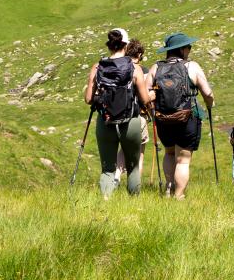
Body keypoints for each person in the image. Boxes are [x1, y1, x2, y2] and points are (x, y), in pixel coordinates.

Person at [84, 28, 151, 198]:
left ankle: (106, 200)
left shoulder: (98, 66)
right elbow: (145, 99)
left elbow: (88, 99)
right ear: (126, 45)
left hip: (105, 122)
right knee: (133, 166)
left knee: (108, 168)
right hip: (130, 122)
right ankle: (133, 203)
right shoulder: (134, 68)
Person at [146, 32, 214, 200]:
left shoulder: (156, 67)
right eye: (188, 47)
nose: (190, 50)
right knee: (183, 160)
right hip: (186, 118)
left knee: (169, 153)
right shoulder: (192, 66)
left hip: (162, 119)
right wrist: (210, 104)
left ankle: (169, 189)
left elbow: (146, 93)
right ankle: (179, 195)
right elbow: (207, 92)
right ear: (182, 50)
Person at [115, 39, 150, 183]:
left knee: (123, 148)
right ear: (140, 54)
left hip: (116, 115)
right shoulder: (142, 71)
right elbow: (145, 97)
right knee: (139, 154)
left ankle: (116, 175)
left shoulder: (117, 68)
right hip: (138, 116)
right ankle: (135, 185)